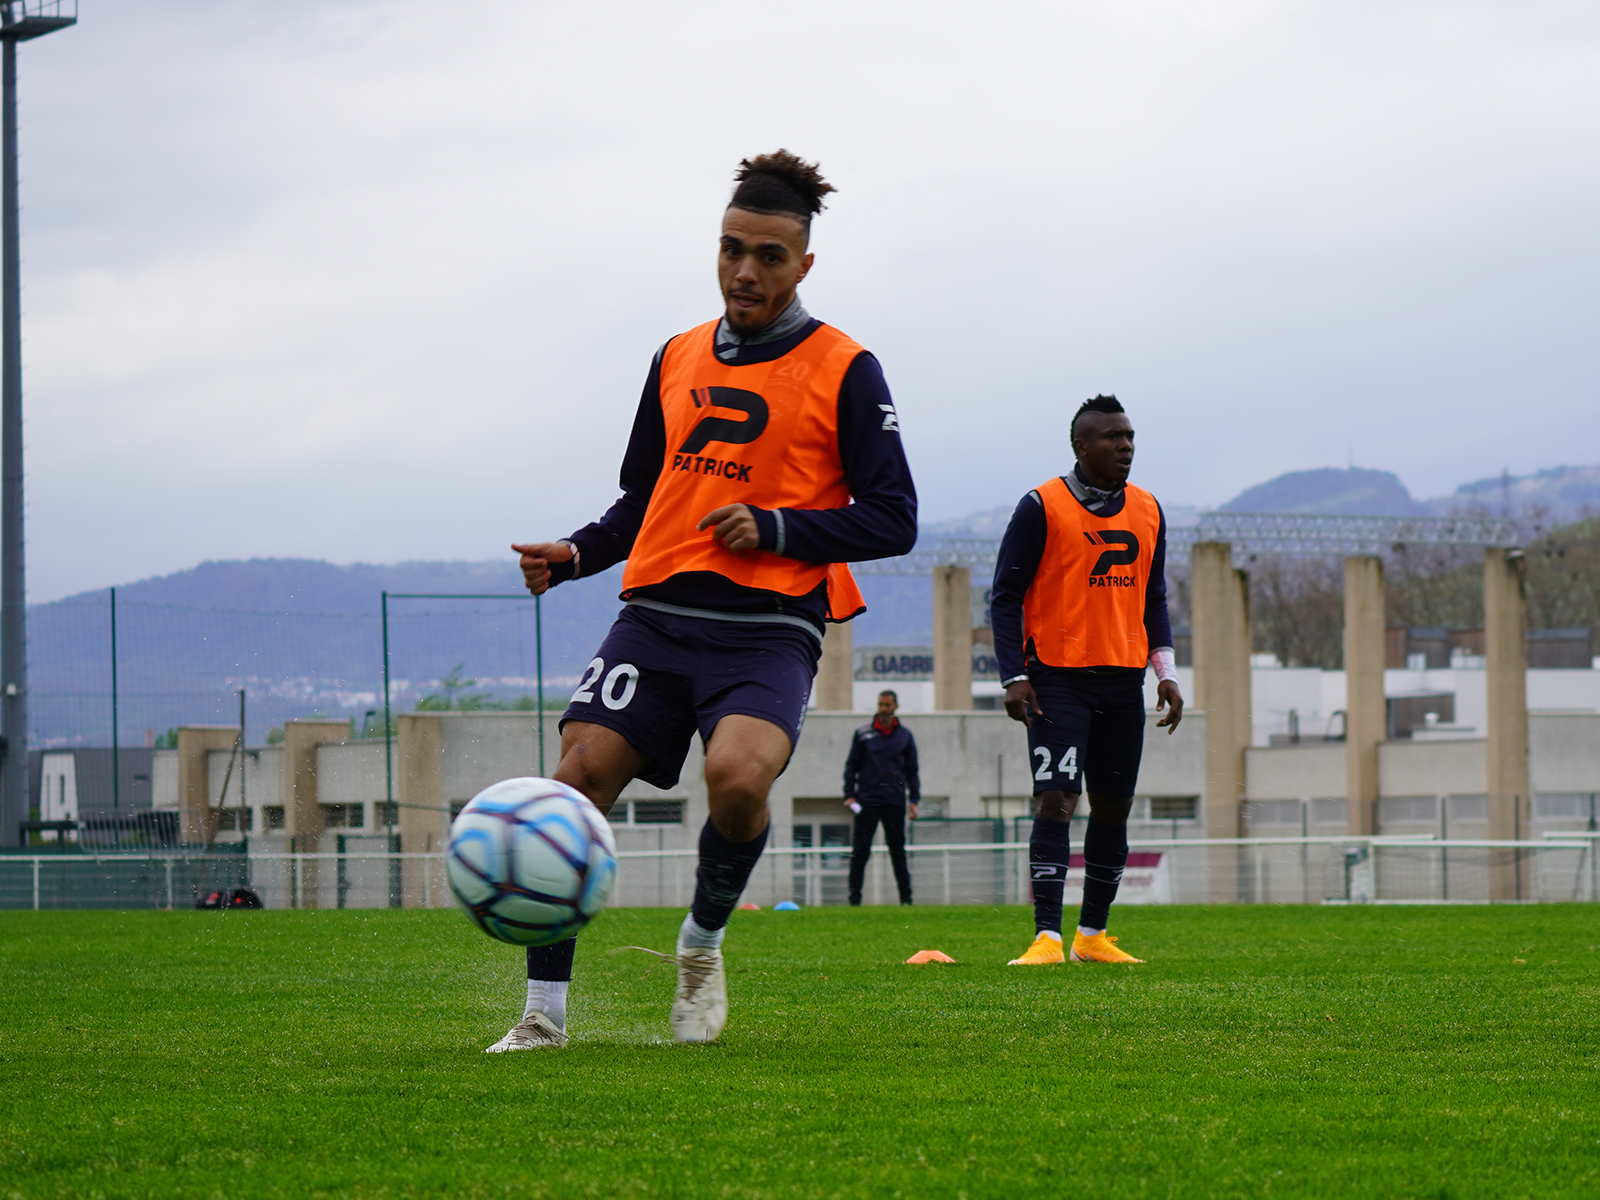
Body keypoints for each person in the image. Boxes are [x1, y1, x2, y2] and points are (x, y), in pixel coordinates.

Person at [497, 150, 917, 1049]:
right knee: (572, 786)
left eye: (768, 255)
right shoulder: (675, 355)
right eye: (732, 250)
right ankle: (543, 1016)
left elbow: (894, 517)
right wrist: (576, 555)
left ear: (805, 264)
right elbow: (644, 498)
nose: (745, 271)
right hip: (655, 618)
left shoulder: (847, 368)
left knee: (736, 780)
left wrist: (776, 530)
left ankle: (701, 942)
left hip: (767, 628)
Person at [989, 394, 1183, 967]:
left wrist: (1165, 671)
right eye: (1112, 438)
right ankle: (1047, 937)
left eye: (1129, 437)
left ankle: (1091, 936)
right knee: (1056, 799)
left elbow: (1155, 598)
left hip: (1123, 683)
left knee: (1113, 808)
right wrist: (1013, 676)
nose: (1125, 446)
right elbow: (1004, 596)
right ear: (1081, 446)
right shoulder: (1041, 506)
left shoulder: (1148, 509)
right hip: (1057, 680)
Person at [842, 689, 920, 906]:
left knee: (898, 852)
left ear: (895, 706)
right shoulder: (863, 734)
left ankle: (906, 900)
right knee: (860, 853)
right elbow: (851, 766)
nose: (883, 709)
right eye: (880, 705)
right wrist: (849, 795)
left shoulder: (905, 736)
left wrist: (914, 799)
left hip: (894, 802)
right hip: (867, 801)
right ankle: (854, 900)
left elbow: (912, 770)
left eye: (887, 705)